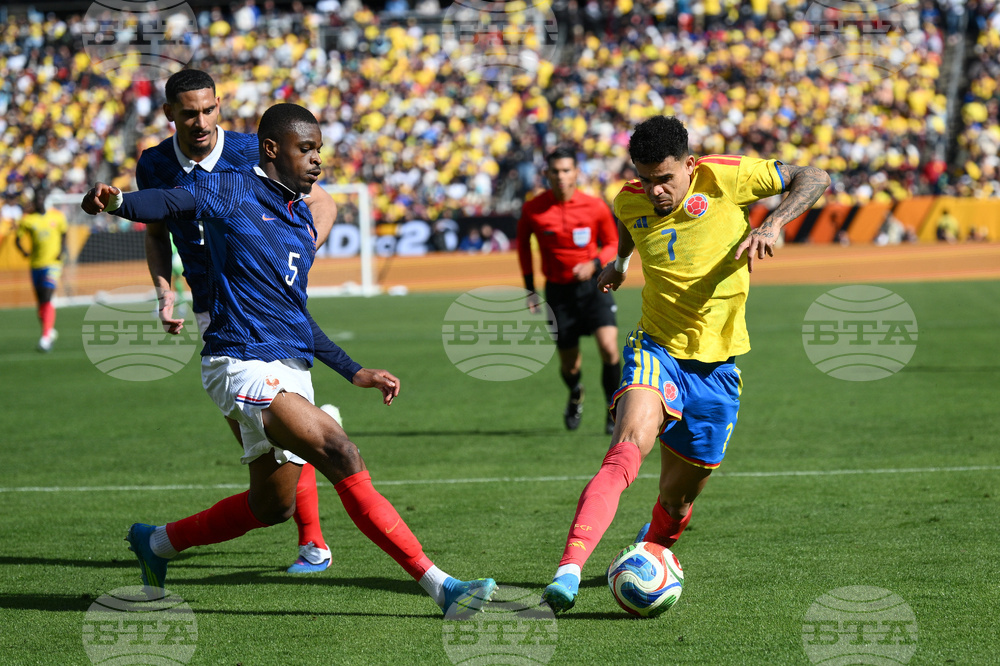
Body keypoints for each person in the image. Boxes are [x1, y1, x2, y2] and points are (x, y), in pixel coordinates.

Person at [81, 103, 497, 617]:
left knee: (272, 505)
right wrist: (118, 201)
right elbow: (167, 202)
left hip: (290, 366)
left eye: (319, 149)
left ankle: (157, 543)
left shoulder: (299, 220)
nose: (318, 159)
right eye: (306, 149)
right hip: (241, 361)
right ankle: (443, 587)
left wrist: (354, 371)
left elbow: (294, 314)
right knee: (340, 451)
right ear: (273, 149)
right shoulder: (231, 189)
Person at [540, 116, 830, 612]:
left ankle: (651, 549)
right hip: (656, 349)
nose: (655, 191)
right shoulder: (629, 199)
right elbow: (630, 222)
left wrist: (772, 223)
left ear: (690, 165)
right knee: (626, 448)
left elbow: (815, 177)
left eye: (665, 179)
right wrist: (621, 263)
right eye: (645, 179)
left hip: (717, 370)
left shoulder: (726, 176)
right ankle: (568, 570)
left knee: (677, 502)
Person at [137, 69, 340, 574]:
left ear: (219, 106)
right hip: (212, 312)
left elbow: (323, 201)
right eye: (189, 113)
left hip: (264, 305)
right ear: (170, 114)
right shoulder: (155, 164)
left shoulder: (254, 149)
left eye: (209, 109)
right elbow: (157, 234)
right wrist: (164, 291)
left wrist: (301, 249)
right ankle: (298, 525)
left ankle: (313, 542)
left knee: (283, 435)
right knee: (267, 444)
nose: (201, 121)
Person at [517, 146, 621, 434]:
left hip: (594, 286)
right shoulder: (533, 209)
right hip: (558, 293)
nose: (561, 176)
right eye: (555, 171)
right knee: (570, 365)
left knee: (609, 349)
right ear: (546, 174)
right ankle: (576, 392)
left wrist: (595, 263)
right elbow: (523, 250)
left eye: (566, 170)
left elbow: (613, 243)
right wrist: (530, 290)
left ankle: (613, 409)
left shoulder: (595, 206)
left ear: (576, 172)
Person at [15, 188, 68, 352]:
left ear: (45, 199)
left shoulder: (57, 216)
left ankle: (45, 337)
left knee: (46, 295)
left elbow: (64, 234)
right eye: (36, 198)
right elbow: (17, 239)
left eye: (41, 198)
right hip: (36, 264)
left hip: (53, 264)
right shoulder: (28, 219)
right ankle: (48, 330)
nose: (39, 201)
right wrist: (24, 252)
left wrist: (62, 250)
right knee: (41, 302)